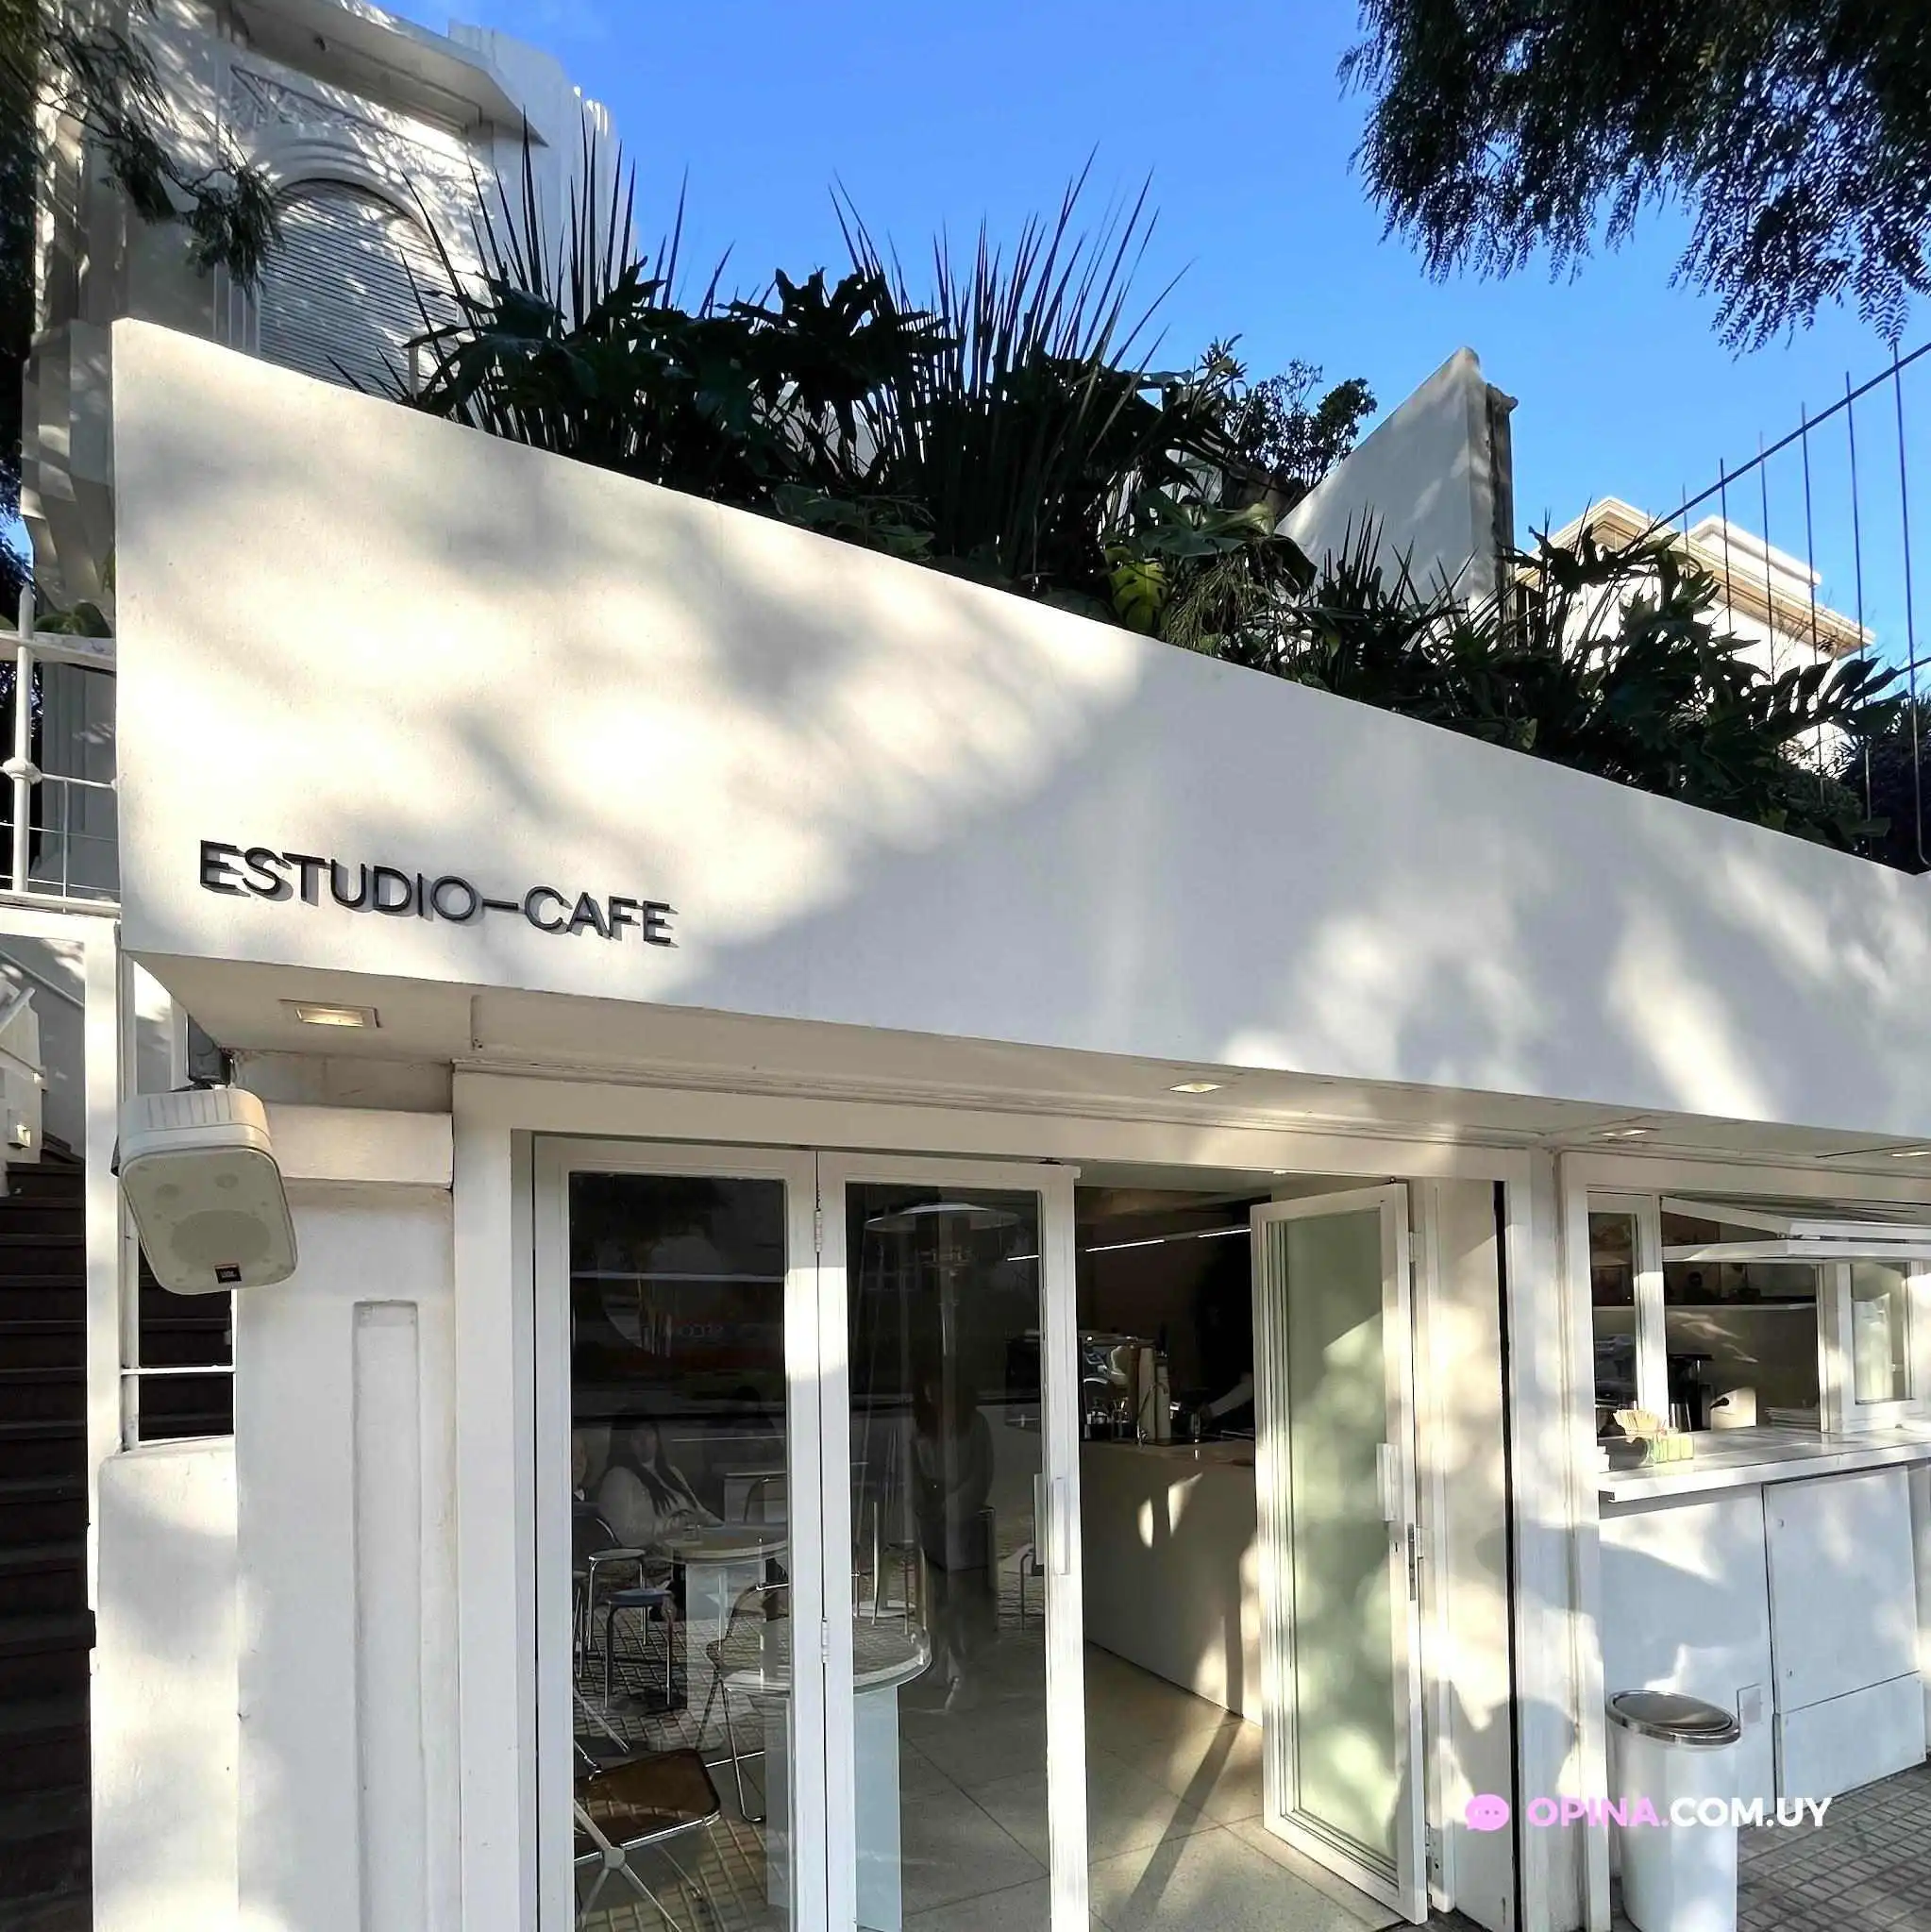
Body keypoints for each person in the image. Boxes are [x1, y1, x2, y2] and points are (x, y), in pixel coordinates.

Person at [911, 1369, 995, 1711]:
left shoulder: (975, 1424)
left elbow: (982, 1473)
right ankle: (943, 1659)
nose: (935, 1400)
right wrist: (922, 1505)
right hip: (931, 1516)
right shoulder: (922, 1426)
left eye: (940, 1392)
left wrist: (954, 1504)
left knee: (960, 1594)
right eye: (928, 1394)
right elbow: (914, 1471)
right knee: (938, 1594)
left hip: (962, 1517)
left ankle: (964, 1670)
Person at [596, 1419, 719, 1551]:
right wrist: (678, 1525)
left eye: (649, 1433)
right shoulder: (618, 1477)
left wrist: (723, 1528)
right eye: (636, 1436)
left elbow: (700, 1512)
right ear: (624, 1442)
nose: (645, 1441)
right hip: (652, 1555)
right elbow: (624, 1533)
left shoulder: (672, 1472)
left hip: (691, 1549)